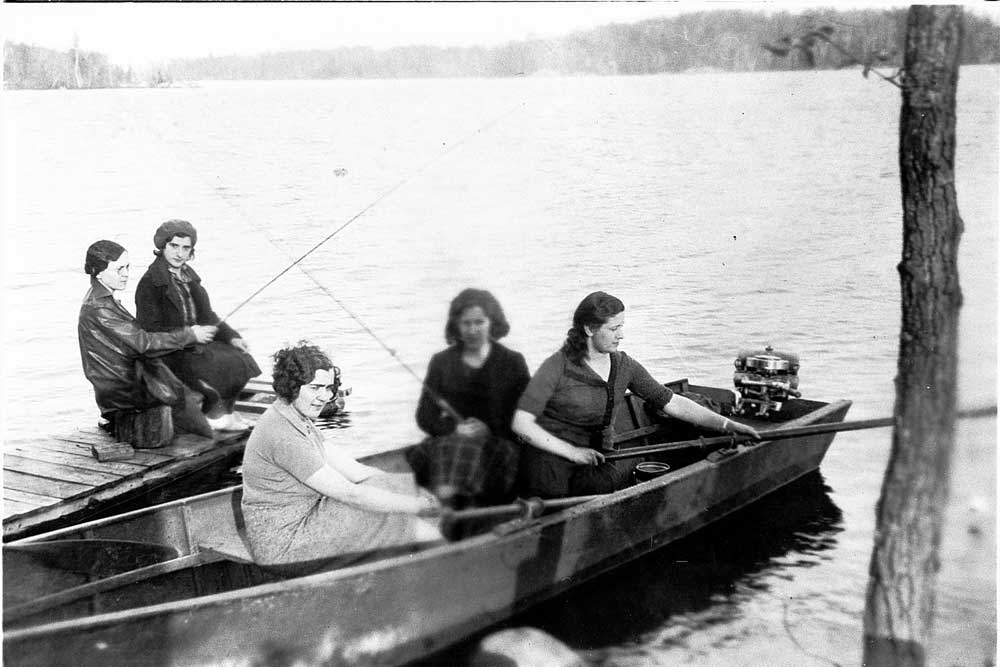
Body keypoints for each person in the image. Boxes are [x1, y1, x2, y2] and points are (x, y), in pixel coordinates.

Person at [512, 291, 759, 498]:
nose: (621, 335)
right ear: (589, 329)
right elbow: (520, 423)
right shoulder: (556, 367)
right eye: (614, 328)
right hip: (551, 466)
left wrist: (728, 425)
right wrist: (572, 452)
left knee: (607, 488)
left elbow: (673, 403)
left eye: (622, 326)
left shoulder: (625, 366)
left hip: (596, 464)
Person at [241, 342, 442, 571]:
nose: (324, 397)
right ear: (292, 386)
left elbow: (358, 472)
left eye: (328, 388)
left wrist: (416, 490)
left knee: (383, 487)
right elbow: (351, 494)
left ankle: (439, 546)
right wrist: (418, 504)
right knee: (392, 513)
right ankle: (450, 557)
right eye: (315, 388)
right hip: (284, 547)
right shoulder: (282, 434)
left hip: (305, 521)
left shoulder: (297, 418)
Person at [78, 240, 218, 439]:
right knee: (193, 396)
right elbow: (144, 344)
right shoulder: (100, 308)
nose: (126, 274)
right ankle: (207, 434)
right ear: (99, 272)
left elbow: (136, 341)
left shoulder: (101, 300)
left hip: (118, 385)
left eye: (127, 267)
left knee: (190, 379)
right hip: (123, 392)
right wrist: (190, 335)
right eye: (119, 269)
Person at [408, 288, 531, 508]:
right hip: (452, 441)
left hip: (499, 444)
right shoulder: (441, 362)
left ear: (492, 322)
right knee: (447, 452)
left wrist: (488, 429)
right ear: (456, 325)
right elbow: (425, 416)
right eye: (466, 323)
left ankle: (459, 514)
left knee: (467, 458)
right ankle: (450, 514)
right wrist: (453, 429)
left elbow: (525, 416)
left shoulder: (512, 362)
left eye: (479, 322)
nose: (473, 330)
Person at [135, 220, 261, 433]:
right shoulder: (150, 283)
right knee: (217, 364)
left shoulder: (189, 277)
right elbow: (149, 330)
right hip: (170, 350)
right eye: (174, 246)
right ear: (162, 247)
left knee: (239, 357)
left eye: (186, 248)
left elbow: (208, 316)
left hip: (193, 345)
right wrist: (191, 335)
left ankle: (226, 412)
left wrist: (231, 337)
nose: (179, 253)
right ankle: (216, 415)